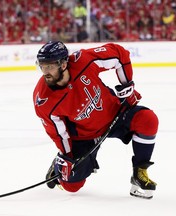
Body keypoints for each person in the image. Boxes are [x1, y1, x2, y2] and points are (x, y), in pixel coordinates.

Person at [33, 41, 158, 199]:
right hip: (85, 136)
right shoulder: (43, 99)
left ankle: (140, 172)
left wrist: (127, 86)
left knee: (148, 120)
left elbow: (119, 54)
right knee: (72, 186)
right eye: (42, 66)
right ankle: (57, 166)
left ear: (64, 64)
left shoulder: (83, 60)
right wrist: (67, 156)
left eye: (50, 66)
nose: (45, 72)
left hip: (114, 113)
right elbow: (58, 133)